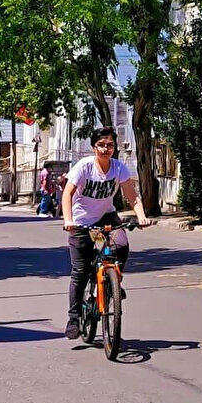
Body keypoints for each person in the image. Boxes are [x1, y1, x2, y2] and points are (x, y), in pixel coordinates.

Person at [62, 127, 152, 340]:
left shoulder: (118, 168)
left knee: (121, 246)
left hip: (106, 217)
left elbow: (132, 195)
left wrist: (141, 216)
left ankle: (114, 284)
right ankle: (74, 318)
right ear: (94, 148)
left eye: (110, 145)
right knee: (80, 272)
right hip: (81, 222)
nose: (106, 149)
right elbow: (67, 194)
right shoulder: (84, 167)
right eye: (101, 145)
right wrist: (68, 220)